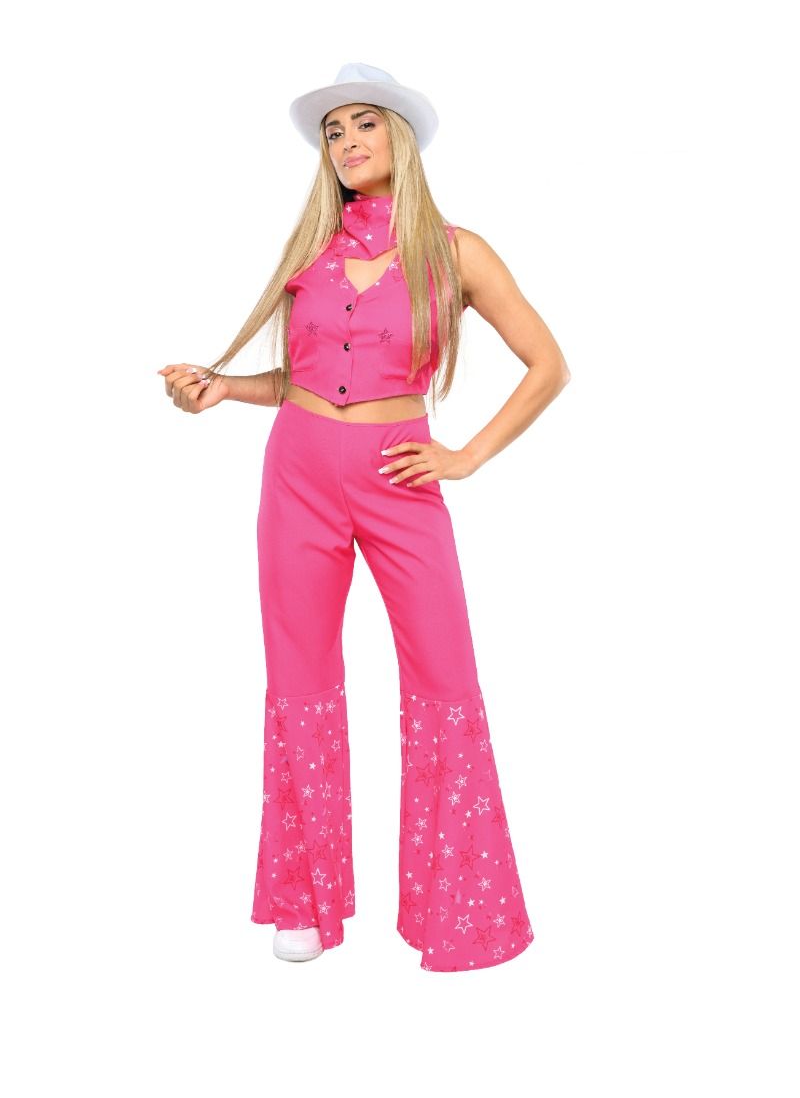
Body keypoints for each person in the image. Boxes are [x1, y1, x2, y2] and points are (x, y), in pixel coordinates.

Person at [157, 62, 571, 972]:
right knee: (299, 677)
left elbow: (548, 364)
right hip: (297, 474)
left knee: (445, 679)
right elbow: (300, 380)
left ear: (400, 139)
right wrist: (222, 388)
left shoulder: (456, 252)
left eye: (363, 124)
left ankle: (458, 912)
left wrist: (465, 456)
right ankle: (302, 901)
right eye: (333, 131)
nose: (346, 142)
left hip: (400, 476)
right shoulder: (309, 256)